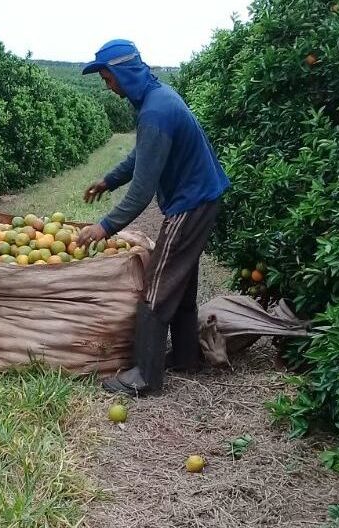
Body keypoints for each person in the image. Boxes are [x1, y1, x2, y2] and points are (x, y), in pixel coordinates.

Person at [77, 39, 230, 396]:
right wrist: (109, 179)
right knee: (182, 282)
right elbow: (142, 155)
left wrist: (104, 226)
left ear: (123, 73)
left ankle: (145, 375)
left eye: (108, 78)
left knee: (158, 283)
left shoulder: (155, 112)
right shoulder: (156, 99)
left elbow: (142, 193)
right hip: (202, 196)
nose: (107, 85)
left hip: (191, 202)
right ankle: (187, 358)